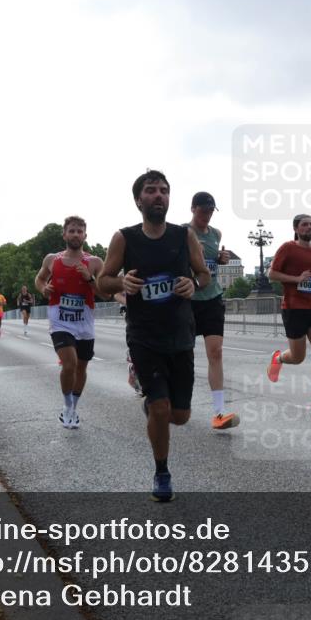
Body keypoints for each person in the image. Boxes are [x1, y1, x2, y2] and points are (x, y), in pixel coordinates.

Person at [98, 169, 210, 502]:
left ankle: (153, 406)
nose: (158, 195)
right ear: (138, 200)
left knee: (181, 416)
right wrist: (122, 283)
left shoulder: (183, 236)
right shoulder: (125, 238)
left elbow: (204, 274)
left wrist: (194, 283)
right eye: (151, 190)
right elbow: (102, 282)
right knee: (162, 409)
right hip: (144, 337)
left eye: (163, 190)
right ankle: (162, 473)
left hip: (180, 335)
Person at [266, 214, 311, 417]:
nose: (309, 227)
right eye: (305, 225)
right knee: (298, 357)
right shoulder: (287, 248)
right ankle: (279, 358)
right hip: (293, 306)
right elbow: (271, 274)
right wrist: (296, 278)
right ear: (296, 229)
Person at [35, 216, 102, 430]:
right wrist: (44, 289)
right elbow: (39, 279)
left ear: (85, 235)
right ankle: (66, 407)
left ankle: (73, 407)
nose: (75, 234)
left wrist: (90, 280)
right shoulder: (52, 260)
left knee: (81, 367)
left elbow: (105, 291)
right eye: (71, 231)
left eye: (79, 231)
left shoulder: (94, 262)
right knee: (70, 363)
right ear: (64, 234)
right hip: (60, 320)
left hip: (84, 322)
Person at [184, 191, 240, 430]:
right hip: (188, 299)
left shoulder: (216, 233)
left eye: (210, 211)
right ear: (193, 209)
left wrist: (220, 258)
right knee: (182, 353)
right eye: (203, 210)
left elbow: (213, 258)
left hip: (212, 298)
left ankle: (219, 412)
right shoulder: (182, 232)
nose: (206, 215)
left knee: (215, 352)